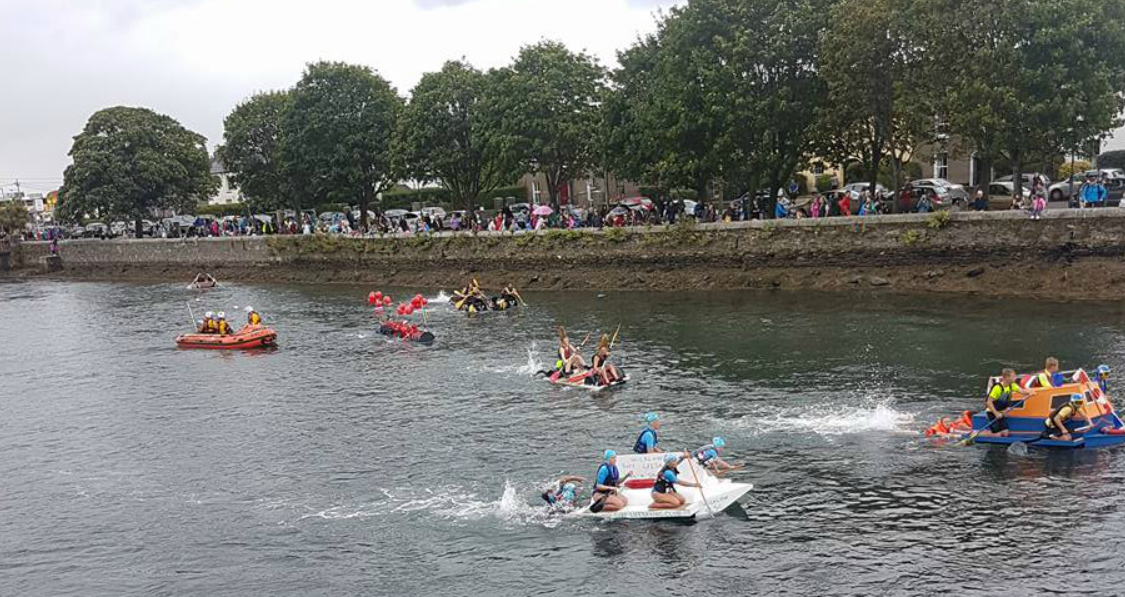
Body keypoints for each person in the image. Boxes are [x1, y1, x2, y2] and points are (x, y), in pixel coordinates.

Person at [982, 368, 1031, 437]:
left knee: (1006, 433)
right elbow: (988, 402)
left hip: (1001, 413)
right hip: (992, 412)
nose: (1015, 378)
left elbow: (1022, 391)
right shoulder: (997, 388)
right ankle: (978, 434)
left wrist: (1030, 392)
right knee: (998, 435)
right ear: (1007, 377)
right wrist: (996, 413)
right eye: (1013, 377)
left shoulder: (1012, 386)